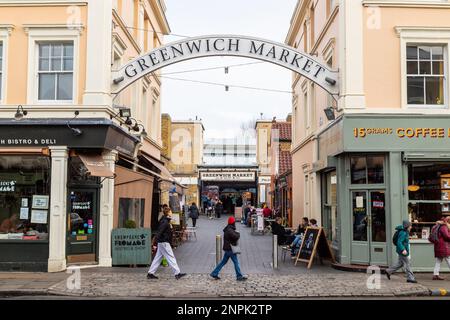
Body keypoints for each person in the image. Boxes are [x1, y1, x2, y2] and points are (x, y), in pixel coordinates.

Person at [147, 207, 186, 280]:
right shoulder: (165, 222)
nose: (171, 212)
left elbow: (160, 232)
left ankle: (150, 273)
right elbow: (160, 232)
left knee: (158, 258)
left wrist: (156, 242)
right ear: (168, 212)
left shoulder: (165, 220)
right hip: (164, 242)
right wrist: (155, 242)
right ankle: (177, 273)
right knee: (171, 257)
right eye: (170, 211)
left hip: (162, 242)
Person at [210, 216, 247, 281]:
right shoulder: (230, 230)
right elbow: (235, 237)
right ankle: (239, 276)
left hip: (227, 248)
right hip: (230, 249)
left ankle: (214, 273)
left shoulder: (228, 228)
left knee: (223, 262)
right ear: (233, 223)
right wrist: (238, 233)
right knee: (236, 262)